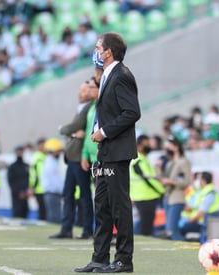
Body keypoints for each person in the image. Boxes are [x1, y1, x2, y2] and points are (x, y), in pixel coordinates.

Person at [75, 32, 141, 273]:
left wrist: (104, 131)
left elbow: (132, 112)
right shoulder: (107, 76)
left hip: (116, 151)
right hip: (105, 152)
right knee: (101, 205)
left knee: (119, 206)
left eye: (97, 47)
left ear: (108, 51)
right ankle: (99, 258)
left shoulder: (122, 75)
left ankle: (124, 259)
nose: (95, 51)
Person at [49, 82, 93, 239]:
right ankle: (66, 228)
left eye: (85, 90)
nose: (81, 93)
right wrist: (73, 134)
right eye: (80, 90)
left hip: (81, 157)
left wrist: (63, 129)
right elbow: (75, 131)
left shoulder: (90, 108)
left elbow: (74, 127)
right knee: (68, 194)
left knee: (84, 195)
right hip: (72, 157)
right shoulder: (82, 107)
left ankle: (87, 229)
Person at [158, 135, 192, 241]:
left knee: (172, 229)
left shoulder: (183, 162)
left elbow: (186, 181)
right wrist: (158, 168)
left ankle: (184, 247)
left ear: (176, 147)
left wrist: (171, 182)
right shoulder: (170, 163)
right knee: (169, 229)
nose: (167, 149)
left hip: (177, 197)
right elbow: (162, 179)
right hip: (167, 197)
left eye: (169, 146)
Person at [129, 134, 164, 236]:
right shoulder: (138, 160)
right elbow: (148, 180)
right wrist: (161, 191)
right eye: (146, 144)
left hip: (143, 195)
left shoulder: (140, 158)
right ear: (139, 145)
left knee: (145, 225)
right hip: (146, 196)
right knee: (146, 226)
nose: (149, 146)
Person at [179, 171, 219, 243]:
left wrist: (191, 219)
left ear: (203, 181)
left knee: (182, 229)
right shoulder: (202, 192)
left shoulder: (209, 193)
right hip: (201, 221)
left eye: (198, 179)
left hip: (204, 223)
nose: (197, 181)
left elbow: (201, 212)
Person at [41, 138, 64, 223]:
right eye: (58, 151)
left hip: (52, 194)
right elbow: (55, 180)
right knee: (55, 218)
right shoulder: (50, 163)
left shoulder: (51, 162)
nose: (59, 153)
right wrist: (64, 191)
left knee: (54, 216)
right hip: (52, 194)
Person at [7, 146, 30, 219]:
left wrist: (26, 191)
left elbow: (28, 179)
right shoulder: (12, 167)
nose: (20, 153)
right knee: (17, 212)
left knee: (25, 212)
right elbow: (10, 181)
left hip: (25, 194)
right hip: (16, 195)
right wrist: (18, 192)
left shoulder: (26, 166)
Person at [29, 138, 47, 221]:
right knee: (42, 208)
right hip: (39, 188)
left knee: (45, 208)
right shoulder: (37, 157)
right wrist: (32, 186)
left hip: (45, 187)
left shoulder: (44, 157)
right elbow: (33, 173)